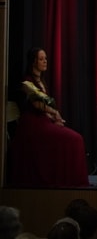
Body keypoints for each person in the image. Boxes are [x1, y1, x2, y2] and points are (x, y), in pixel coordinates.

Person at [7, 47, 89, 188]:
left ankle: (67, 179)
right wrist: (55, 113)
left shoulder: (42, 81)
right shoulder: (27, 82)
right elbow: (38, 104)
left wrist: (55, 118)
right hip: (32, 124)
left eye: (45, 58)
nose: (45, 61)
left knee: (75, 138)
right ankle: (71, 181)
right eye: (41, 59)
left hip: (44, 121)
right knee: (75, 139)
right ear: (33, 62)